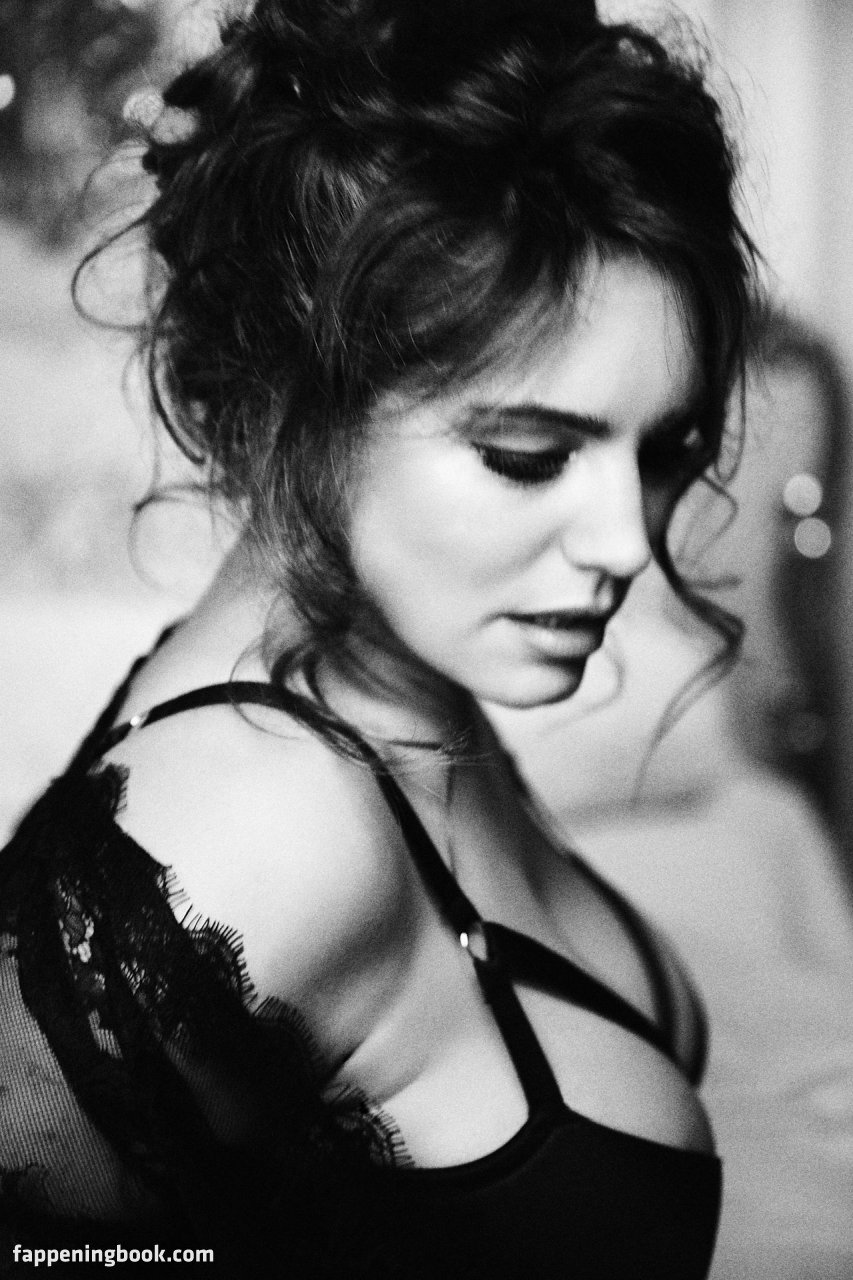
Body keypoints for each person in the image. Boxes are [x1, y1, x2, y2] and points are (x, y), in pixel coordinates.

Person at [0, 0, 756, 1275]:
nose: (627, 542)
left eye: (665, 449)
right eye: (529, 455)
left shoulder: (411, 679)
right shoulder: (257, 822)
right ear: (298, 401)